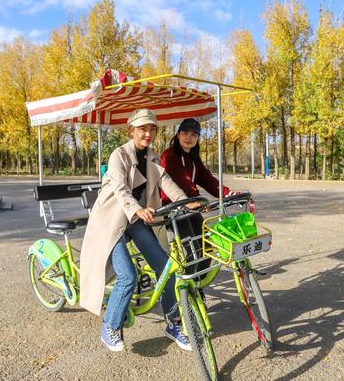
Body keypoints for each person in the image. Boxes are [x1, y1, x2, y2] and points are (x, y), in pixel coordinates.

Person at [79, 108, 193, 353]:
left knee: (167, 269)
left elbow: (167, 182)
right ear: (132, 131)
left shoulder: (152, 158)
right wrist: (138, 210)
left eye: (152, 129)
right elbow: (120, 189)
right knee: (127, 275)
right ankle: (110, 326)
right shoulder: (118, 155)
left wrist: (188, 202)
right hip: (111, 222)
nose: (148, 133)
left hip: (135, 219)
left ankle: (173, 323)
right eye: (143, 129)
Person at [160, 118, 232, 278]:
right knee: (190, 253)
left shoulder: (193, 158)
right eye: (185, 133)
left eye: (194, 134)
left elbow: (207, 179)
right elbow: (181, 182)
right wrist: (198, 201)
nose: (189, 137)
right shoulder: (169, 156)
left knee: (208, 248)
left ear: (198, 138)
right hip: (173, 210)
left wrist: (226, 193)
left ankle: (197, 286)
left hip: (189, 207)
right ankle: (186, 294)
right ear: (178, 135)